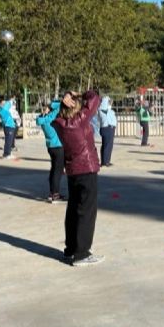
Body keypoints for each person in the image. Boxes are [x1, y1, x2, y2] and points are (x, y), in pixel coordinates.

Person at [52, 91, 104, 267]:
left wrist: (62, 100)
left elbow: (51, 113)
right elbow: (95, 98)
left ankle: (71, 248)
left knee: (74, 209)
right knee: (86, 211)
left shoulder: (59, 124)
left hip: (73, 170)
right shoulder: (79, 121)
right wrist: (80, 94)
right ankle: (82, 253)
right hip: (86, 169)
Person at [36, 101, 66, 203]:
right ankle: (55, 195)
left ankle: (52, 192)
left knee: (54, 170)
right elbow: (60, 106)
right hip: (58, 146)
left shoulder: (43, 119)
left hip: (51, 146)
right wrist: (50, 106)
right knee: (57, 171)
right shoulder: (50, 118)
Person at [98, 96, 117, 167]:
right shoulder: (103, 110)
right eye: (108, 102)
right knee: (108, 145)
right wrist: (105, 98)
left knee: (105, 145)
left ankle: (104, 160)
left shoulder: (104, 110)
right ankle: (106, 161)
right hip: (108, 128)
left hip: (107, 128)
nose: (110, 104)